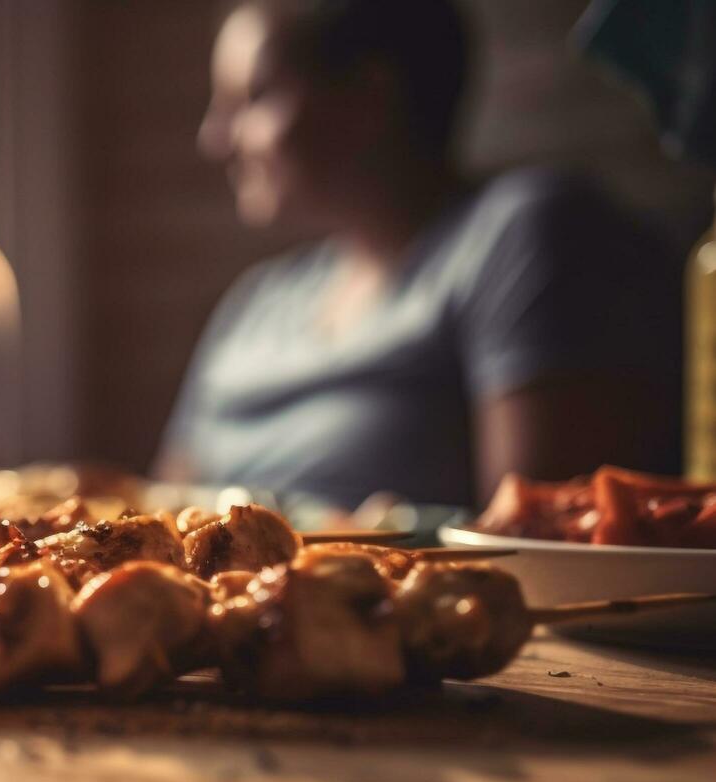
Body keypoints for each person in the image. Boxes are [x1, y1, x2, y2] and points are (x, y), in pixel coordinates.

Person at [155, 0, 682, 509]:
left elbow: (536, 544)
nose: (215, 139)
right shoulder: (257, 302)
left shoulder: (518, 235)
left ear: (369, 94)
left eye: (252, 98)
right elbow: (158, 510)